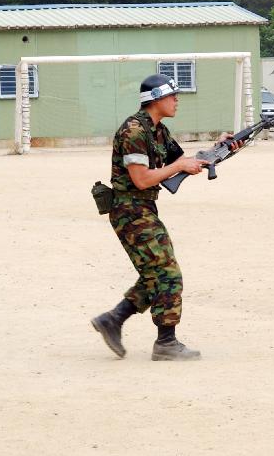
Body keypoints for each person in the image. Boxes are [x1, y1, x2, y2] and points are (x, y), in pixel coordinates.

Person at [91, 74, 241, 360]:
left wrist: (222, 148)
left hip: (143, 210)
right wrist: (179, 165)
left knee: (153, 276)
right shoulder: (134, 131)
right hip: (130, 211)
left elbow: (184, 162)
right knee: (168, 274)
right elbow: (142, 179)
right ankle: (166, 343)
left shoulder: (158, 130)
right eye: (173, 96)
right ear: (157, 99)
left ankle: (113, 320)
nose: (177, 101)